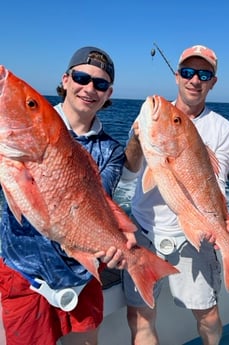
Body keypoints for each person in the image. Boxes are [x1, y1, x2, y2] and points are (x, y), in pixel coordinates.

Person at [0, 46, 135, 345]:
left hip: (82, 277)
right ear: (65, 80)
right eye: (81, 77)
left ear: (108, 93)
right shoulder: (12, 143)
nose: (89, 88)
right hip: (24, 274)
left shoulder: (111, 150)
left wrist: (118, 242)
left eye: (100, 84)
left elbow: (100, 202)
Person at [122, 44, 229, 345]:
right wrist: (137, 139)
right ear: (177, 76)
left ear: (213, 82)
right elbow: (129, 172)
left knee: (209, 316)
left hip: (195, 235)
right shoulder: (151, 119)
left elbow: (214, 181)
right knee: (140, 316)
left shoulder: (223, 129)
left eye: (204, 74)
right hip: (145, 231)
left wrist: (220, 222)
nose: (194, 80)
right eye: (187, 72)